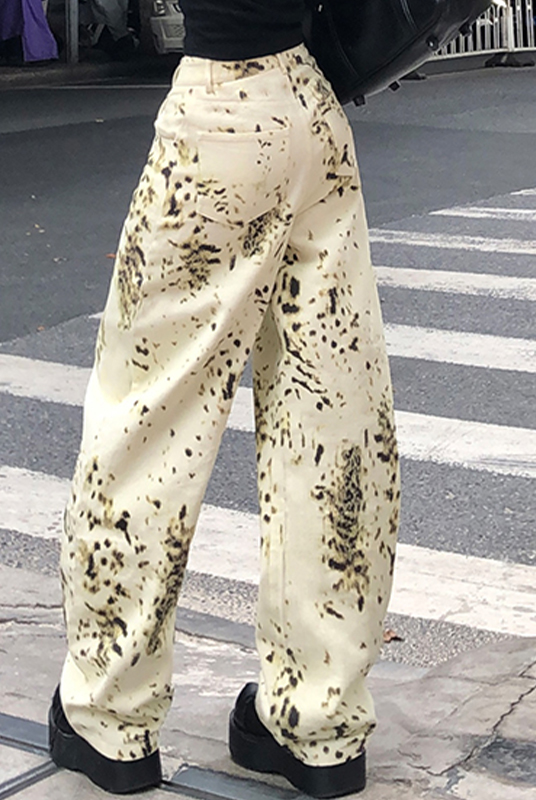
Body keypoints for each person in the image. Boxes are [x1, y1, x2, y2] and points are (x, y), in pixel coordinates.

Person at [48, 1, 401, 797]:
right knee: (331, 420)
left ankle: (111, 714)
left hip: (220, 110)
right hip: (313, 111)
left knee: (147, 417)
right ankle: (319, 721)